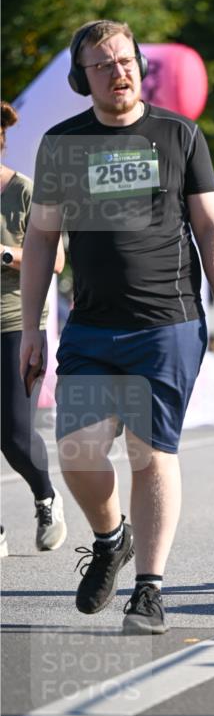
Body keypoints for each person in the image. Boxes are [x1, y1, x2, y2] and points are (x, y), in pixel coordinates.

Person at [20, 19, 214, 633]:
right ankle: (109, 537)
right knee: (78, 450)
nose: (119, 72)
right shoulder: (62, 144)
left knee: (150, 453)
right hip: (92, 327)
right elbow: (42, 239)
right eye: (104, 65)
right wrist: (33, 328)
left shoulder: (178, 135)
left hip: (166, 323)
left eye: (126, 60)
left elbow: (209, 229)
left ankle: (149, 588)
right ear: (80, 79)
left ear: (139, 65)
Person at [1, 101, 67, 551]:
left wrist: (6, 255)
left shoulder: (23, 190)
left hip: (15, 322)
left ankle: (46, 496)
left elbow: (57, 260)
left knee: (13, 433)